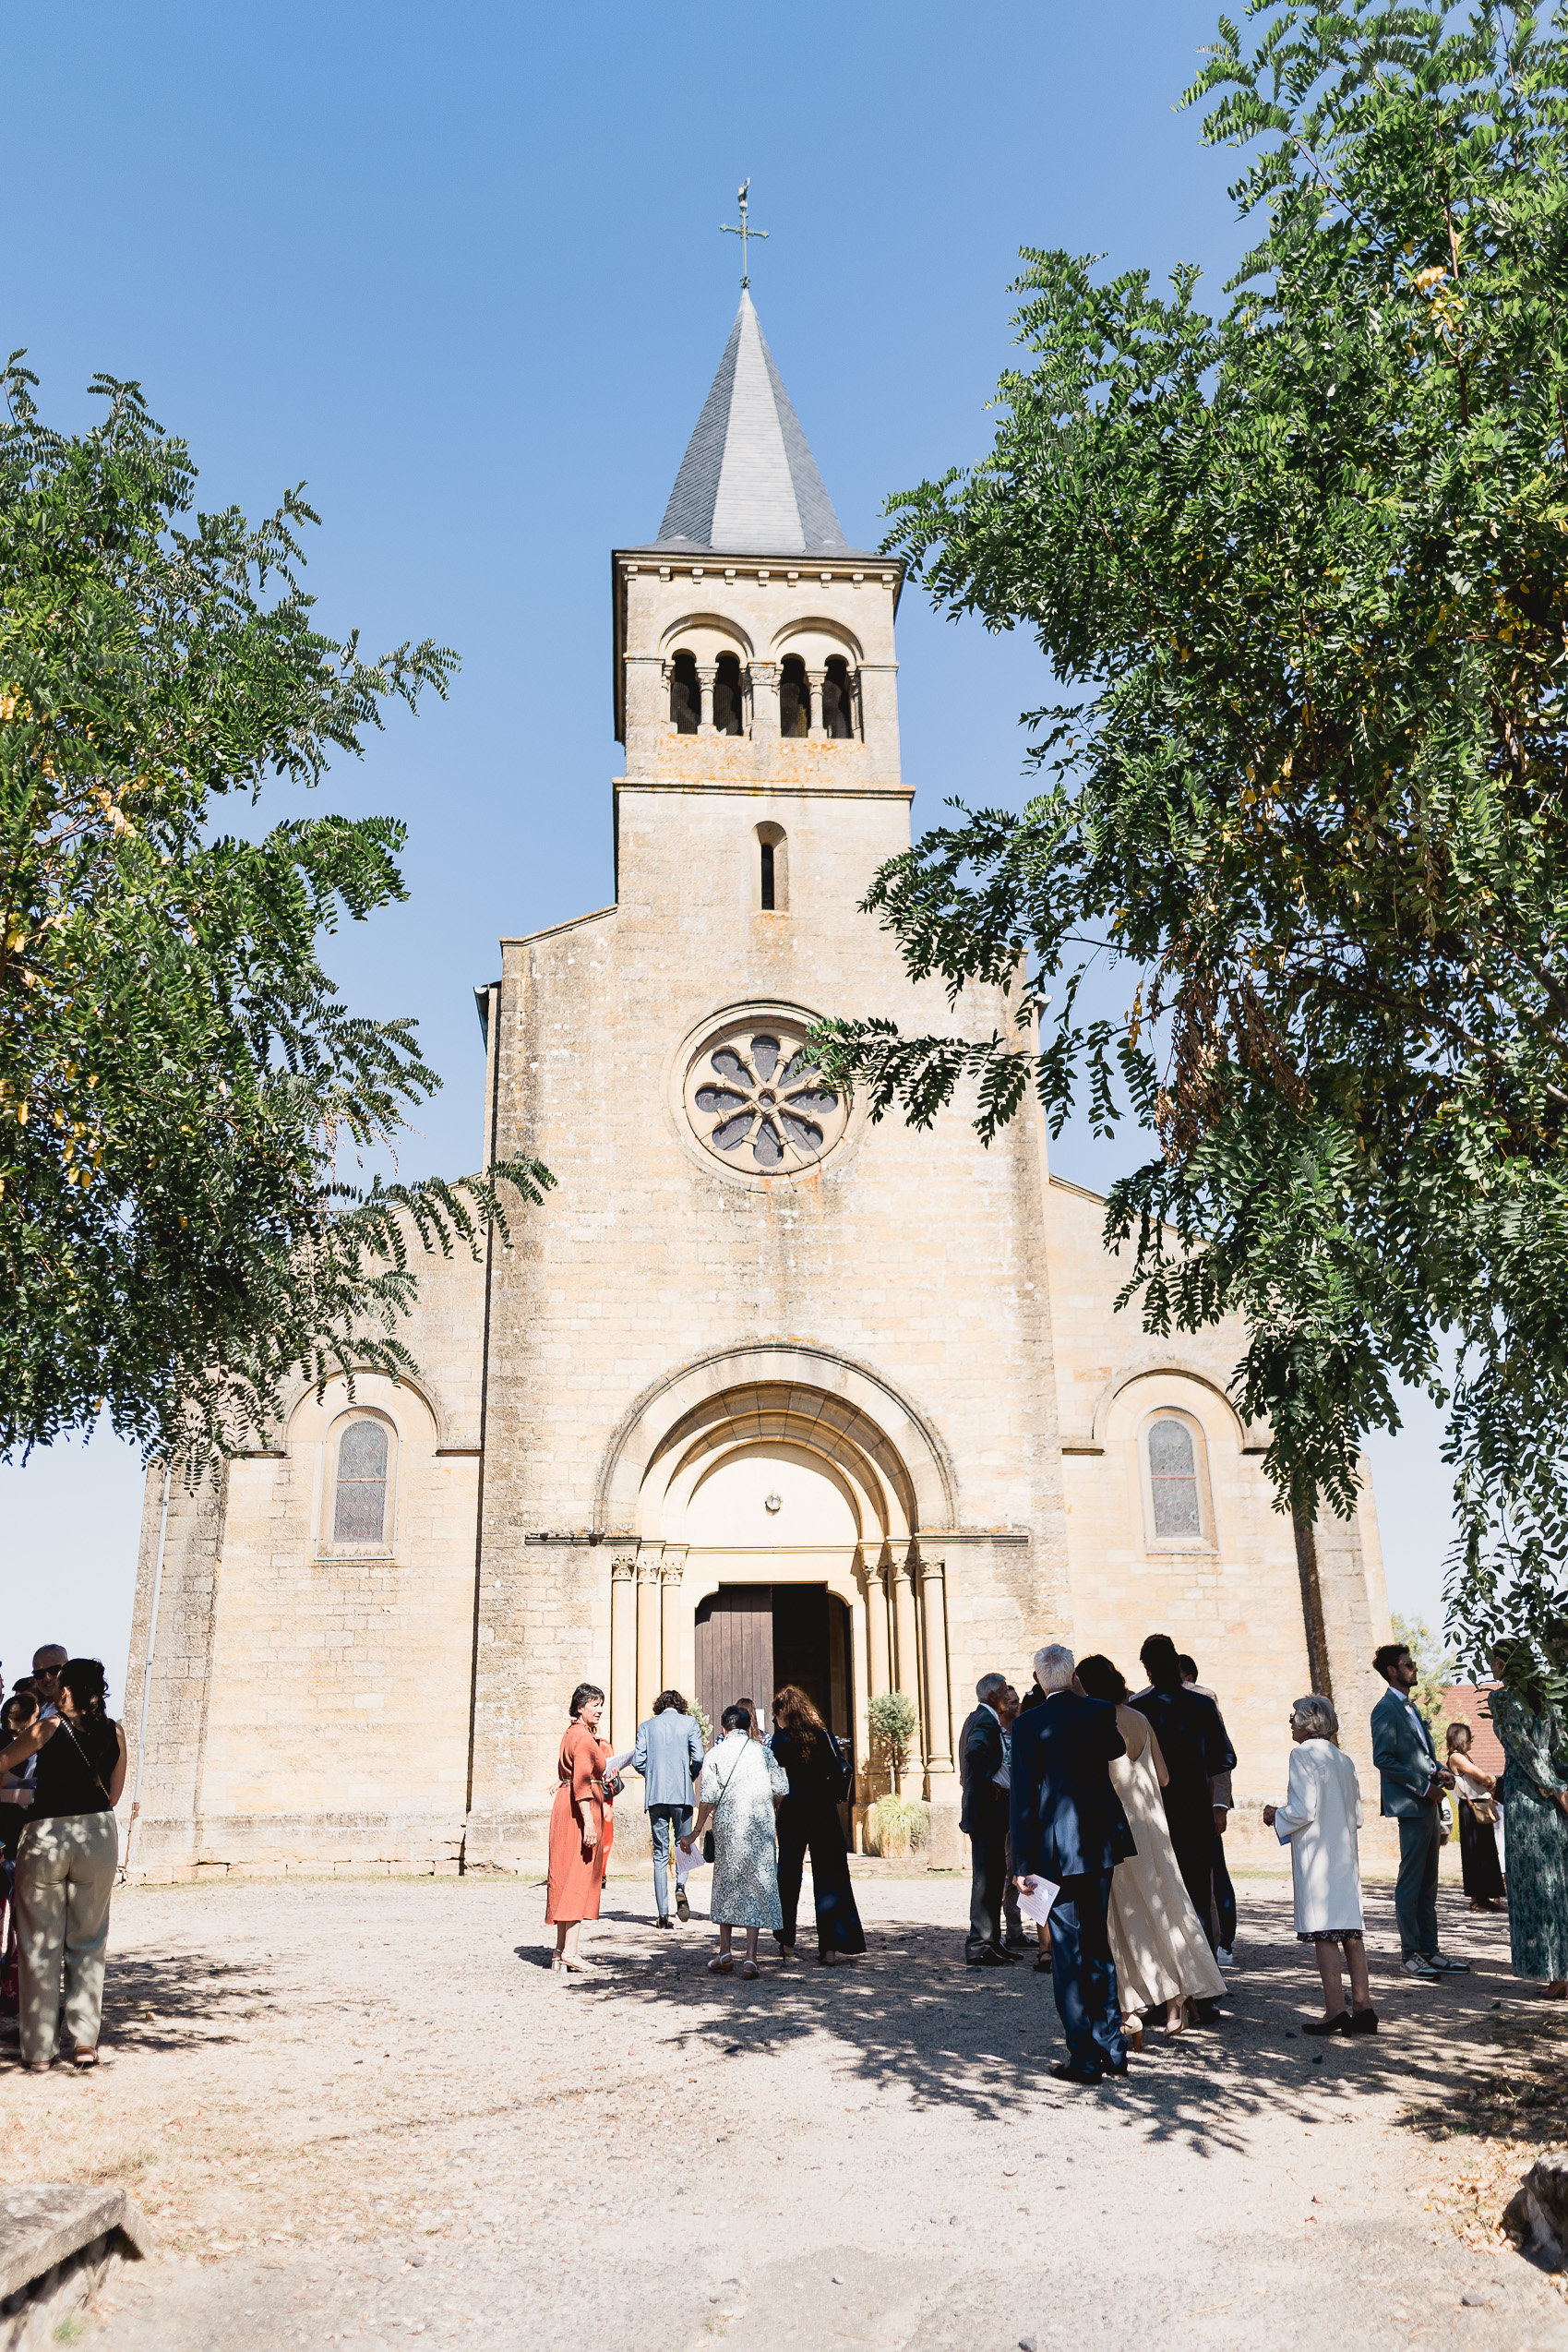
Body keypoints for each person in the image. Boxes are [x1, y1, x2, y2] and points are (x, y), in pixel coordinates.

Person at [1075, 1655, 1224, 2044]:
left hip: (1116, 1829)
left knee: (1124, 1919)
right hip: (1153, 1828)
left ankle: (1130, 2010)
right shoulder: (1139, 1717)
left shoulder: (1095, 1720)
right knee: (1166, 1908)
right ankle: (1176, 2000)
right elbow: (1164, 1775)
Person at [1010, 1642, 1135, 2083]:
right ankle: (1113, 2049)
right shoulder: (1098, 1711)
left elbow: (1023, 1797)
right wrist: (1085, 1703)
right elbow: (1116, 1749)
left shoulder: (1028, 1724)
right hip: (1096, 1843)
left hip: (1051, 1851)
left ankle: (1083, 2055)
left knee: (1067, 1952)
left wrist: (1020, 1861)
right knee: (1099, 1946)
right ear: (1073, 1676)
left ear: (1041, 1679)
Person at [0, 1659, 126, 2070]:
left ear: (67, 1691)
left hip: (48, 1834)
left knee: (40, 1943)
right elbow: (114, 1796)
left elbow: (2, 1762)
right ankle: (85, 2041)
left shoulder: (49, 1727)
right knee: (89, 1940)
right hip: (98, 1834)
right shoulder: (116, 1733)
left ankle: (38, 2051)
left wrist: (20, 1794)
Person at [1263, 1694, 1376, 2035]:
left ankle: (1334, 2009)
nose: (1290, 1723)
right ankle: (1364, 2006)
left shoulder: (1301, 1755)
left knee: (1324, 1932)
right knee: (1351, 1933)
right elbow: (1356, 1815)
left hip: (1317, 1854)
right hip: (1344, 1853)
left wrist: (1275, 1815)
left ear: (1306, 1722)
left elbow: (1302, 1810)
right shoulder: (1344, 1759)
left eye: (1293, 1717)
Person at [1130, 1635, 1236, 1961]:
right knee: (1198, 1897)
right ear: (1178, 1663)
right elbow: (1224, 1758)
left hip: (1154, 1813)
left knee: (1160, 1896)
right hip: (1195, 1811)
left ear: (1147, 1670)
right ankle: (1204, 1979)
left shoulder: (1137, 1708)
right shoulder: (1202, 1704)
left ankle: (1172, 1977)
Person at [1371, 1640, 1467, 1979]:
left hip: (1429, 1803)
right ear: (1392, 1671)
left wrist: (1439, 1770)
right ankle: (1410, 1953)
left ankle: (1430, 1950)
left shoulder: (1410, 1707)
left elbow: (1421, 1755)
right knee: (1410, 1882)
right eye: (1408, 1664)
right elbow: (1383, 1759)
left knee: (1429, 1883)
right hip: (1412, 1806)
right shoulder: (1385, 1709)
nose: (1414, 1669)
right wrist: (1423, 1785)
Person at [682, 1706, 788, 1978]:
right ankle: (751, 1958)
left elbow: (708, 1796)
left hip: (729, 1826)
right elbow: (782, 1788)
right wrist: (771, 1806)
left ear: (723, 1729)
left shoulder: (715, 1753)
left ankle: (725, 1951)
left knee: (727, 1884)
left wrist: (695, 1832)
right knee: (755, 1884)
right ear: (748, 1725)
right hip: (760, 1824)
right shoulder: (763, 1752)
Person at [1488, 1638, 1568, 1998]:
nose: (1491, 1668)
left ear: (1505, 1665)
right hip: (1554, 1798)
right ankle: (1561, 1969)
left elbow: (1524, 1751)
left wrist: (1555, 1789)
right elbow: (1557, 1749)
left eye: (1494, 1661)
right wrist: (1562, 1788)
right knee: (1555, 1884)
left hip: (1529, 1798)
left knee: (1537, 1886)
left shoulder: (1502, 1699)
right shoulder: (1547, 1697)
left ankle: (1555, 1972)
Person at [769, 1685, 865, 1965]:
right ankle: (830, 1948)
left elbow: (774, 1776)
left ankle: (786, 1944)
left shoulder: (781, 1740)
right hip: (823, 1808)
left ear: (783, 1712)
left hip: (794, 1807)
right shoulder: (822, 1735)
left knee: (787, 1875)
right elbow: (838, 1770)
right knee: (830, 1876)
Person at [604, 1688, 704, 1929]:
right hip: (681, 1793)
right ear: (680, 1706)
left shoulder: (646, 1727)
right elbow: (699, 1756)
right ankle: (680, 1886)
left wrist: (652, 1774)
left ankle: (662, 1915)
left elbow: (638, 1761)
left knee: (659, 1854)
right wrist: (688, 1774)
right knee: (685, 1845)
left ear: (659, 1706)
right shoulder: (689, 1723)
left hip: (656, 1796)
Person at [545, 1682, 613, 1977]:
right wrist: (588, 1822)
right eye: (594, 1704)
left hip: (565, 1805)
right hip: (578, 1811)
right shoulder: (584, 1739)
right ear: (579, 1708)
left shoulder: (571, 1734)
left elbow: (571, 1775)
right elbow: (584, 1783)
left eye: (601, 1704)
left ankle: (560, 1952)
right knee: (576, 1876)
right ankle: (571, 1951)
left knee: (563, 1874)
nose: (599, 1709)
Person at [1179, 1651, 1237, 1963]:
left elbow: (1221, 1757)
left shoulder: (1203, 1699)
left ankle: (1224, 1940)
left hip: (1206, 1801)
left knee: (1217, 1872)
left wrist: (1219, 1805)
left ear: (1187, 1676)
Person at [959, 1673, 1017, 1966]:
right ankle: (979, 1944)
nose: (1009, 1696)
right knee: (986, 1878)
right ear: (994, 1695)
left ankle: (992, 1941)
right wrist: (990, 1783)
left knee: (994, 1876)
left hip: (992, 1811)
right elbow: (974, 1752)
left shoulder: (981, 1717)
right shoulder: (984, 1719)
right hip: (987, 1811)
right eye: (1005, 1691)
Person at [1446, 1719, 1505, 1912]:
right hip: (1471, 1809)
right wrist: (1491, 1781)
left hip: (1479, 1805)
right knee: (1475, 1852)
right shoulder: (1456, 1757)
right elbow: (1480, 1776)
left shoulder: (1464, 1756)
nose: (1472, 1743)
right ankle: (1476, 1898)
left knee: (1486, 1852)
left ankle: (1486, 1895)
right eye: (1470, 1739)